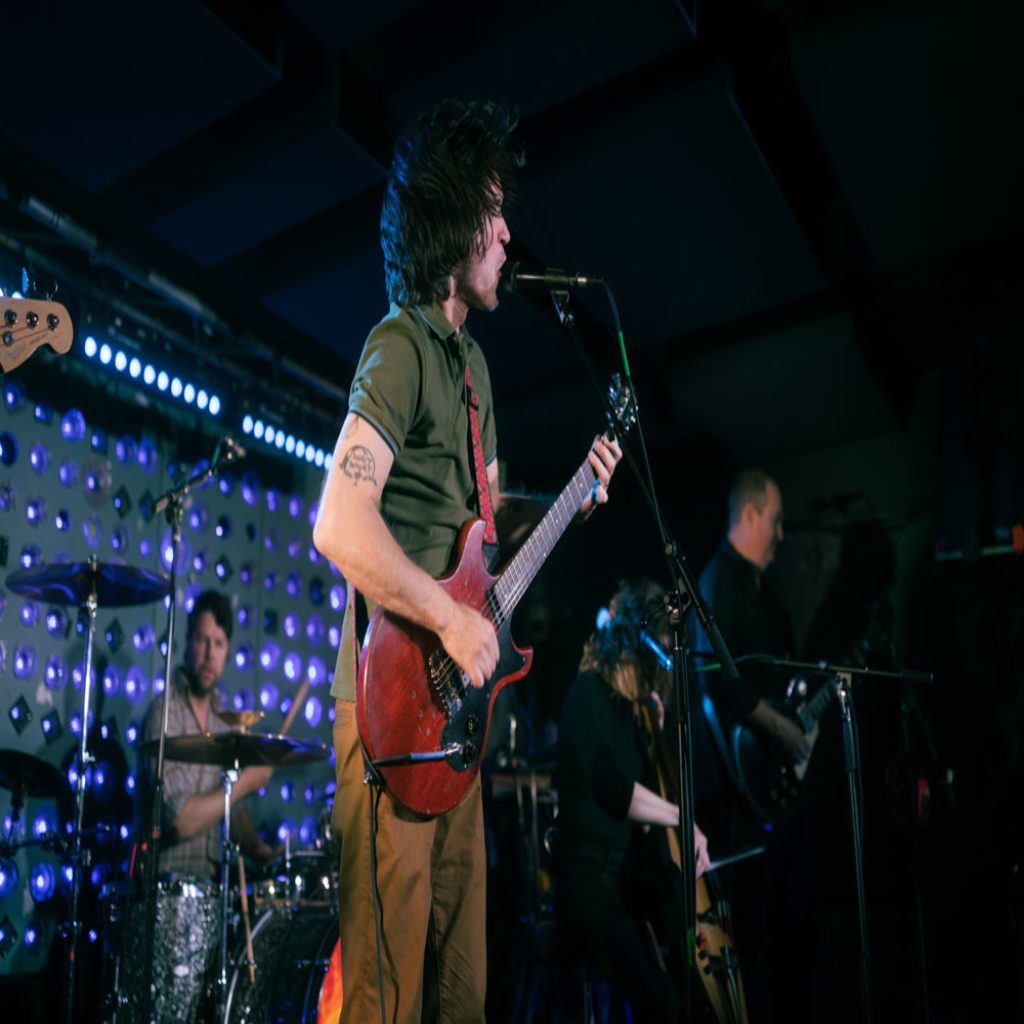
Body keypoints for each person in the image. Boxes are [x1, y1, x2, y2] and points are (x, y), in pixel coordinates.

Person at [312, 98, 621, 1024]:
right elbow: (339, 524)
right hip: (392, 710)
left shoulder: (475, 369)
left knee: (463, 992)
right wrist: (448, 618)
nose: (508, 232)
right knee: (386, 1000)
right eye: (492, 210)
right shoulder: (400, 344)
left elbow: (480, 551)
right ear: (453, 223)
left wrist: (570, 504)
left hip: (455, 724)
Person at [557, 578, 711, 1023]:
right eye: (649, 660)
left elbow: (644, 823)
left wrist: (654, 738)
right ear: (628, 649)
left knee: (683, 986)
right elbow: (615, 791)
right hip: (589, 891)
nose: (652, 676)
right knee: (660, 999)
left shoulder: (634, 713)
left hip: (625, 885)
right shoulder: (587, 695)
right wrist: (682, 818)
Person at [136, 589, 274, 879]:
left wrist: (259, 849)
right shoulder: (163, 714)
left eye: (219, 644)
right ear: (187, 641)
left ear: (227, 651)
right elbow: (179, 823)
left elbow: (232, 809)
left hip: (209, 887)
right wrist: (246, 783)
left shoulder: (223, 723)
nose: (210, 655)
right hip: (163, 885)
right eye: (202, 640)